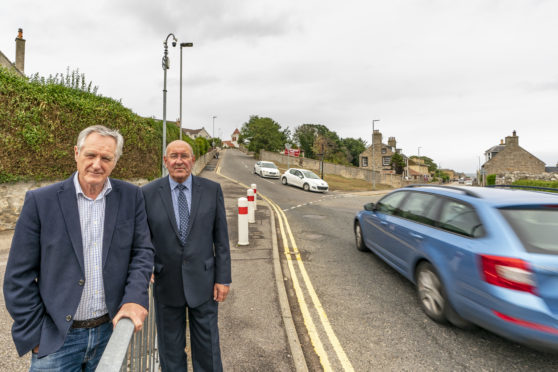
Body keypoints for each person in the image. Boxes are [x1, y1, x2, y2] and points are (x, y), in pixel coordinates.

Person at [3, 125, 154, 371]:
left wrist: (135, 299)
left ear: (115, 161)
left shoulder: (131, 196)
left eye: (106, 158)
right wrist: (37, 335)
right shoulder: (41, 201)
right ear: (76, 153)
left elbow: (142, 252)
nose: (97, 164)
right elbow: (17, 277)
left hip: (108, 331)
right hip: (57, 339)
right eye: (90, 155)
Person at [142, 140, 231, 372]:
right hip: (166, 283)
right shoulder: (148, 193)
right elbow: (143, 239)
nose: (179, 161)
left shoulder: (212, 190)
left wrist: (223, 278)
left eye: (184, 156)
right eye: (173, 156)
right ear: (165, 161)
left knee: (208, 347)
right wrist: (146, 266)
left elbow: (221, 239)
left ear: (192, 160)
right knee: (170, 351)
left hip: (205, 283)